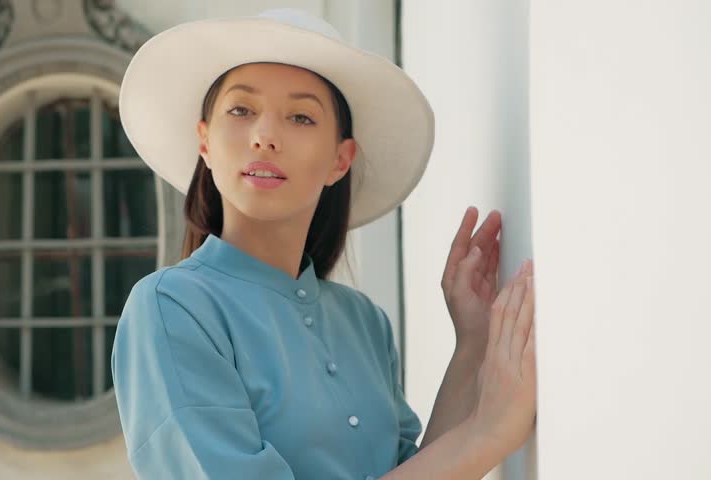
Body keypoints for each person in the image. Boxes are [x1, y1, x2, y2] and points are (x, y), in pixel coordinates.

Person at [111, 8, 537, 480]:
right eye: (241, 110)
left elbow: (421, 470)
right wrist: (490, 433)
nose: (264, 136)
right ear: (205, 141)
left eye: (300, 116)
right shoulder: (171, 307)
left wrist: (473, 342)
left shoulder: (365, 323)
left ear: (340, 159)